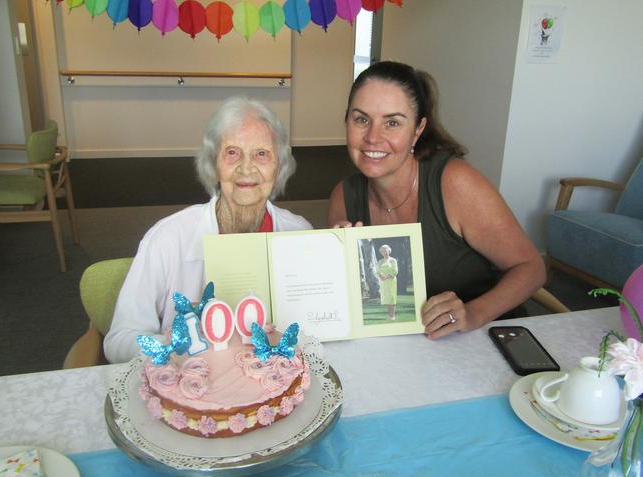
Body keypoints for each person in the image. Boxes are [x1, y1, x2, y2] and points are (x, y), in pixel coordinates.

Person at [328, 61, 546, 340]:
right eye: (361, 119)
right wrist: (337, 266)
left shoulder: (455, 183)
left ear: (417, 130)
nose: (373, 137)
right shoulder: (342, 198)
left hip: (484, 340)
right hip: (403, 346)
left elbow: (532, 269)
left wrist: (473, 313)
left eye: (392, 122)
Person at [104, 97, 312, 363]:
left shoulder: (300, 234)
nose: (246, 168)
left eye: (261, 154)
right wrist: (176, 347)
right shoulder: (168, 238)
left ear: (279, 166)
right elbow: (119, 340)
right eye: (232, 153)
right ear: (213, 165)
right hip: (192, 391)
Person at [376, 244, 398, 320]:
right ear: (381, 253)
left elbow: (395, 271)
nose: (384, 252)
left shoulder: (393, 260)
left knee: (392, 298)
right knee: (387, 299)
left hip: (391, 281)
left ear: (389, 251)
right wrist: (381, 277)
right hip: (383, 282)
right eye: (383, 251)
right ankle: (390, 315)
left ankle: (393, 316)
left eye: (386, 251)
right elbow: (377, 271)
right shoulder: (380, 261)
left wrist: (387, 276)